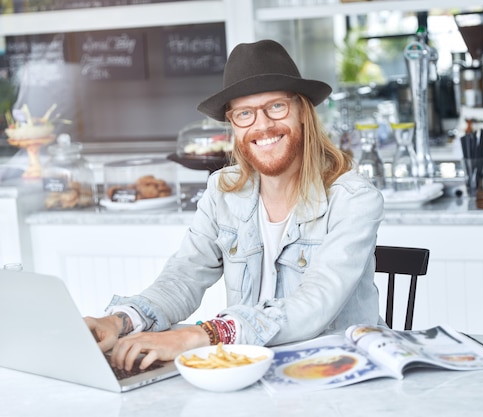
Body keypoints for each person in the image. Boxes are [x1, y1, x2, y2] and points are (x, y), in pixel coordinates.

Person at [85, 39, 384, 372]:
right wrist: (121, 321)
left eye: (276, 107)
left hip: (341, 372)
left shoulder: (353, 199)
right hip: (254, 372)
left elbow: (313, 305)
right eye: (245, 113)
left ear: (303, 111)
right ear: (233, 124)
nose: (262, 125)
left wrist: (199, 336)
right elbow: (183, 278)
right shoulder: (222, 192)